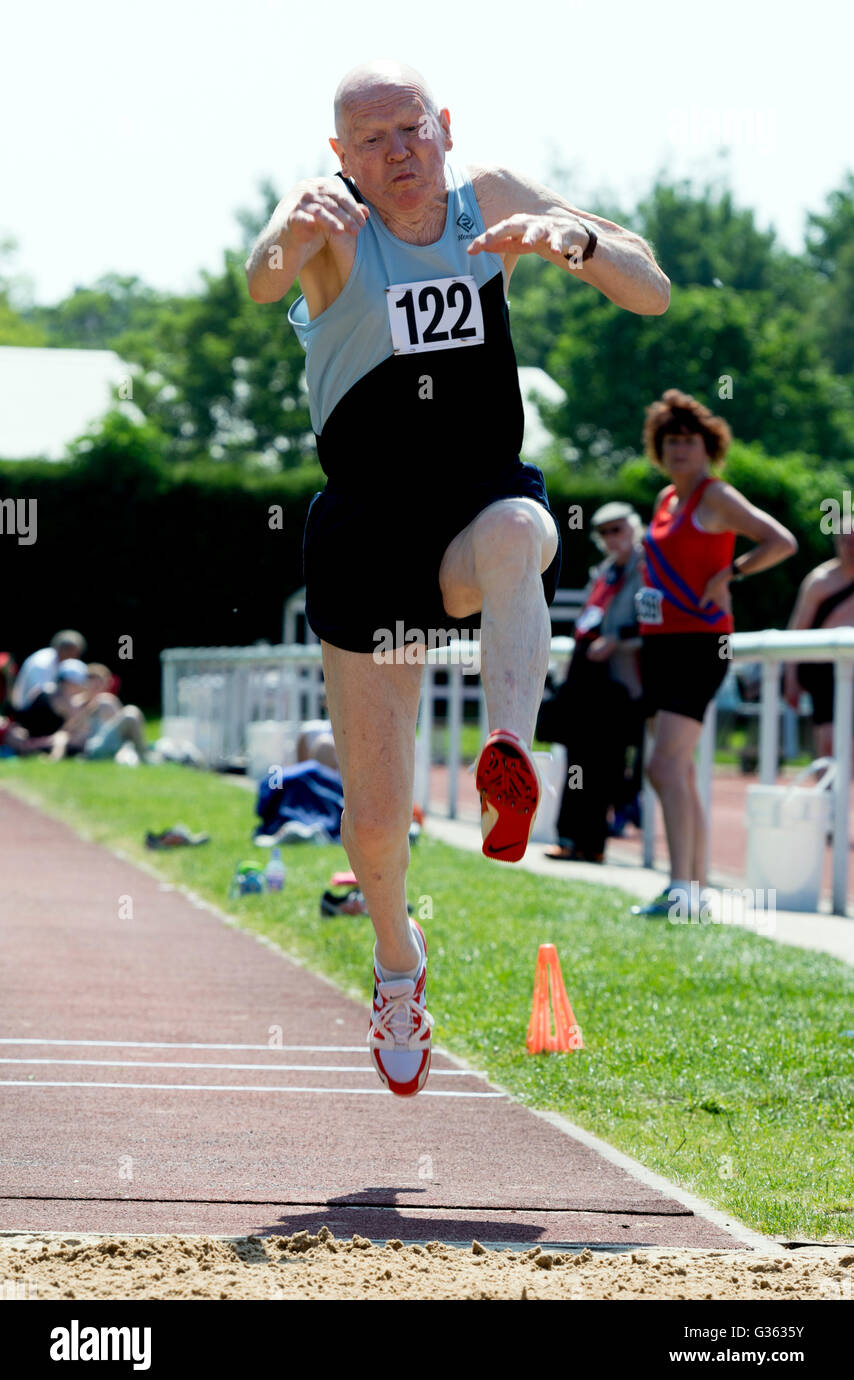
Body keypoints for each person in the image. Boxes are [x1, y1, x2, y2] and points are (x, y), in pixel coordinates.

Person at [245, 59, 670, 1095]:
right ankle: (397, 962)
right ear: (339, 156)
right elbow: (259, 280)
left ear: (443, 125)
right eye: (369, 141)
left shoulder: (495, 199)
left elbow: (648, 289)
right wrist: (282, 231)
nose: (397, 153)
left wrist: (571, 241)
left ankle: (508, 757)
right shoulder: (333, 230)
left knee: (523, 529)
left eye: (410, 129)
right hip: (365, 536)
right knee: (378, 819)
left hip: (471, 510)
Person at [630, 390, 797, 918]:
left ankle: (683, 888)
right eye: (671, 441)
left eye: (689, 441)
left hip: (701, 644)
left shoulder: (715, 496)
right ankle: (691, 889)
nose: (679, 450)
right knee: (674, 770)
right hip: (658, 644)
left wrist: (733, 573)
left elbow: (781, 540)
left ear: (708, 448)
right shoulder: (664, 499)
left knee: (663, 765)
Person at [542, 502, 645, 863]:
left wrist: (617, 638)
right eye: (604, 532)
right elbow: (589, 620)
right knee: (579, 762)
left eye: (617, 529)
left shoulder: (647, 569)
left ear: (633, 528)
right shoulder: (603, 573)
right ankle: (571, 838)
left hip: (619, 685)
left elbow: (653, 620)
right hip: (588, 681)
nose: (611, 538)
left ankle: (594, 842)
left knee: (607, 766)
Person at [783, 530, 854, 759]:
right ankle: (828, 792)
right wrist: (791, 680)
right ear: (838, 543)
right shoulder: (820, 581)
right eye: (847, 541)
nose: (851, 548)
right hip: (823, 669)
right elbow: (798, 629)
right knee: (829, 741)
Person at [9, 630, 86, 711]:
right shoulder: (41, 663)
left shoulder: (65, 664)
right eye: (73, 652)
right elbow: (40, 696)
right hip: (27, 711)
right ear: (62, 648)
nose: (75, 657)